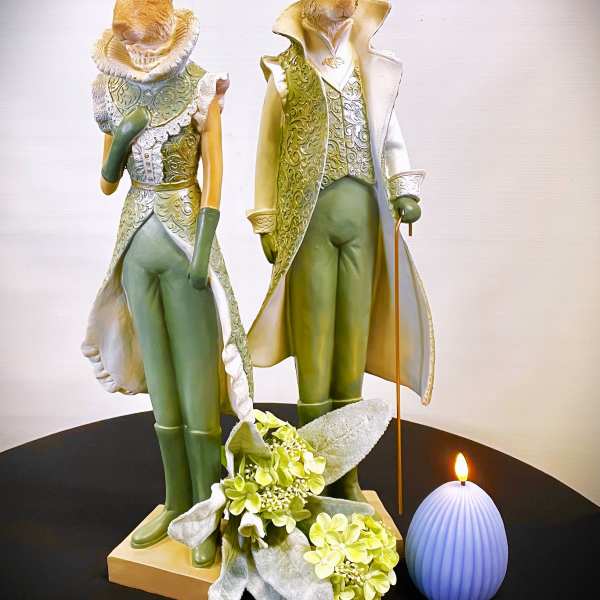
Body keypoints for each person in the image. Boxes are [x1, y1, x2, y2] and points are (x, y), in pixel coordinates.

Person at [83, 0, 253, 567]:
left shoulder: (200, 87)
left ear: (168, 33)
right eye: (131, 44)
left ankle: (207, 508)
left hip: (184, 246)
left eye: (148, 42)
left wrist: (203, 248)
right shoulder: (112, 91)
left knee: (195, 377)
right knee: (160, 379)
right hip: (136, 246)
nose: (140, 54)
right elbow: (108, 183)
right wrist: (123, 137)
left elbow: (215, 175)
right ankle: (175, 499)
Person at [247, 0, 434, 502]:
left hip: (363, 224)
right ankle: (311, 473)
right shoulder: (284, 73)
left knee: (351, 342)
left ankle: (347, 473)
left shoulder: (367, 69)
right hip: (309, 223)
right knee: (315, 346)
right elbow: (268, 149)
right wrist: (266, 218)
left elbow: (389, 137)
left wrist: (403, 187)